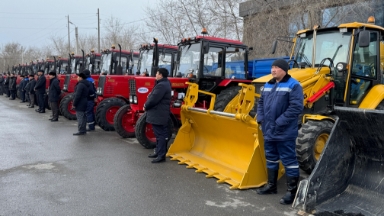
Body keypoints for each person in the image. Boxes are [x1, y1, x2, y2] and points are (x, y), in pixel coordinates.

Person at [256, 59, 303, 205]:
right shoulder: (268, 84)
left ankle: (292, 191)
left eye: (276, 67)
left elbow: (296, 107)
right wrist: (261, 119)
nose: (273, 70)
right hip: (269, 130)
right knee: (271, 157)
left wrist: (279, 122)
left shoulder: (294, 85)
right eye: (272, 67)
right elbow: (261, 103)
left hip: (284, 131)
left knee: (289, 160)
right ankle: (271, 186)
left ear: (284, 70)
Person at [144, 68, 171, 163]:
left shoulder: (161, 86)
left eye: (157, 73)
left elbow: (154, 99)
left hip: (158, 113)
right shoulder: (163, 84)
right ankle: (158, 152)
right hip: (159, 112)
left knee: (160, 134)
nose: (155, 74)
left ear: (161, 75)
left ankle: (161, 155)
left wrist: (146, 105)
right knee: (158, 134)